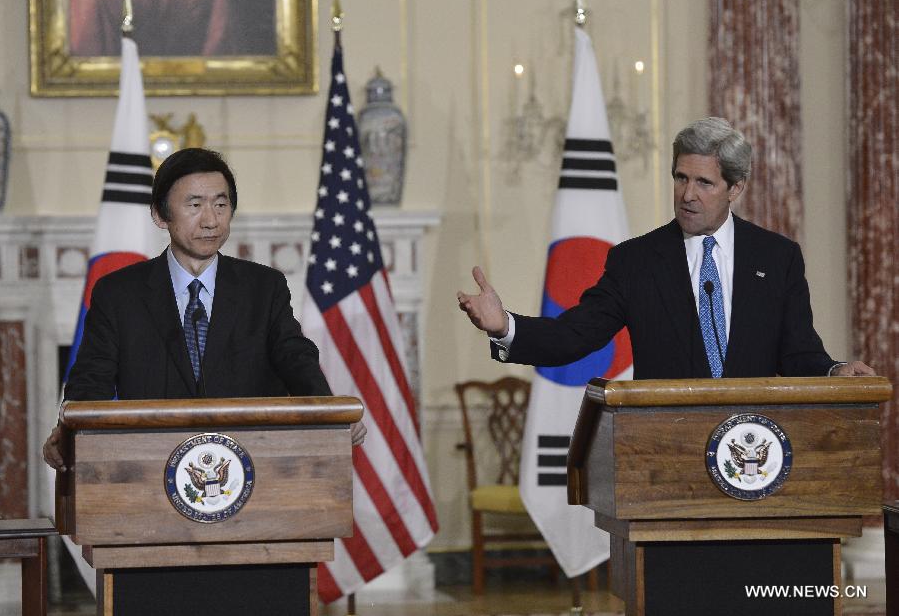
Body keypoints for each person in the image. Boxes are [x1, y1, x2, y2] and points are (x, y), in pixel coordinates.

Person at [458, 117, 874, 380]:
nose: (687, 194)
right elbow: (574, 335)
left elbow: (798, 351)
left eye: (704, 183)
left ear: (736, 188)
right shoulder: (636, 261)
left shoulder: (777, 258)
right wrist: (505, 326)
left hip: (752, 448)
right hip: (665, 450)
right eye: (680, 178)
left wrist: (835, 370)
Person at [44, 147, 365, 471]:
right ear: (159, 214)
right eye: (195, 205)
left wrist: (329, 413)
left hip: (251, 467)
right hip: (150, 468)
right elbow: (90, 379)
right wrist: (70, 430)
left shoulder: (264, 287)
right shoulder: (119, 293)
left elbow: (296, 358)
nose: (211, 220)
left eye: (221, 205)